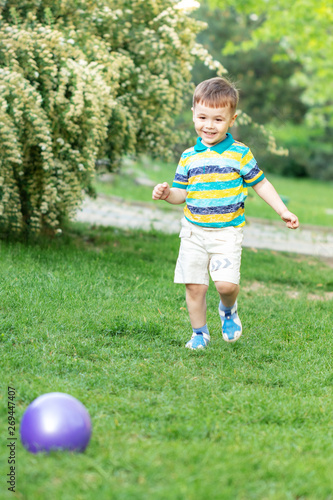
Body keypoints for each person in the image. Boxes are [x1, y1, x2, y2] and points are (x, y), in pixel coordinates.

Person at [152, 77, 299, 350]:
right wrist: (166, 194)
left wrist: (283, 210)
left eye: (218, 119)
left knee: (225, 286)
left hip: (227, 233)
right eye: (203, 117)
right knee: (194, 286)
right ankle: (199, 333)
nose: (208, 125)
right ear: (193, 114)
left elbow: (261, 184)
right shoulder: (188, 157)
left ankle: (228, 309)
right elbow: (181, 193)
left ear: (231, 120)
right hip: (193, 231)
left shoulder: (240, 154)